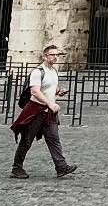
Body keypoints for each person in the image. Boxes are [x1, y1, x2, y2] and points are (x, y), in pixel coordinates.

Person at [8, 45, 75, 180]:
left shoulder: (53, 70)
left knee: (53, 139)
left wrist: (58, 91)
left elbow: (50, 86)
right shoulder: (38, 72)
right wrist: (50, 103)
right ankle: (16, 168)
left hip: (49, 113)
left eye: (57, 55)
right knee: (26, 140)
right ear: (45, 56)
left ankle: (61, 167)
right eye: (52, 55)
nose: (55, 57)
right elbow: (35, 91)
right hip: (36, 110)